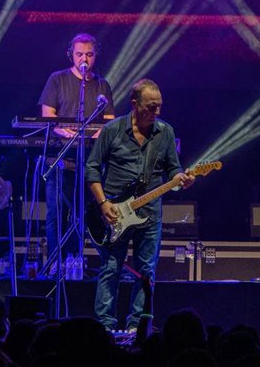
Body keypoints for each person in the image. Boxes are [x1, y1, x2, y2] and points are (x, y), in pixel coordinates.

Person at [85, 79, 194, 333]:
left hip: (150, 214)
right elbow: (92, 169)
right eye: (151, 107)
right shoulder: (112, 130)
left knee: (146, 272)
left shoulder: (165, 132)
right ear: (134, 104)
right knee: (111, 268)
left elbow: (173, 170)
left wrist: (182, 179)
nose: (157, 111)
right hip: (114, 213)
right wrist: (103, 203)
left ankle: (138, 326)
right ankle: (105, 327)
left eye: (159, 106)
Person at [37, 33, 114, 269]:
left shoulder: (102, 85)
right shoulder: (57, 79)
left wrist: (98, 133)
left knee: (84, 214)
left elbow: (109, 120)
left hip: (90, 161)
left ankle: (76, 261)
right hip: (60, 159)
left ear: (96, 56)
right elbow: (47, 116)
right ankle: (56, 263)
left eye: (89, 55)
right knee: (56, 213)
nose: (84, 59)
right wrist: (62, 131)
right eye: (79, 54)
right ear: (71, 55)